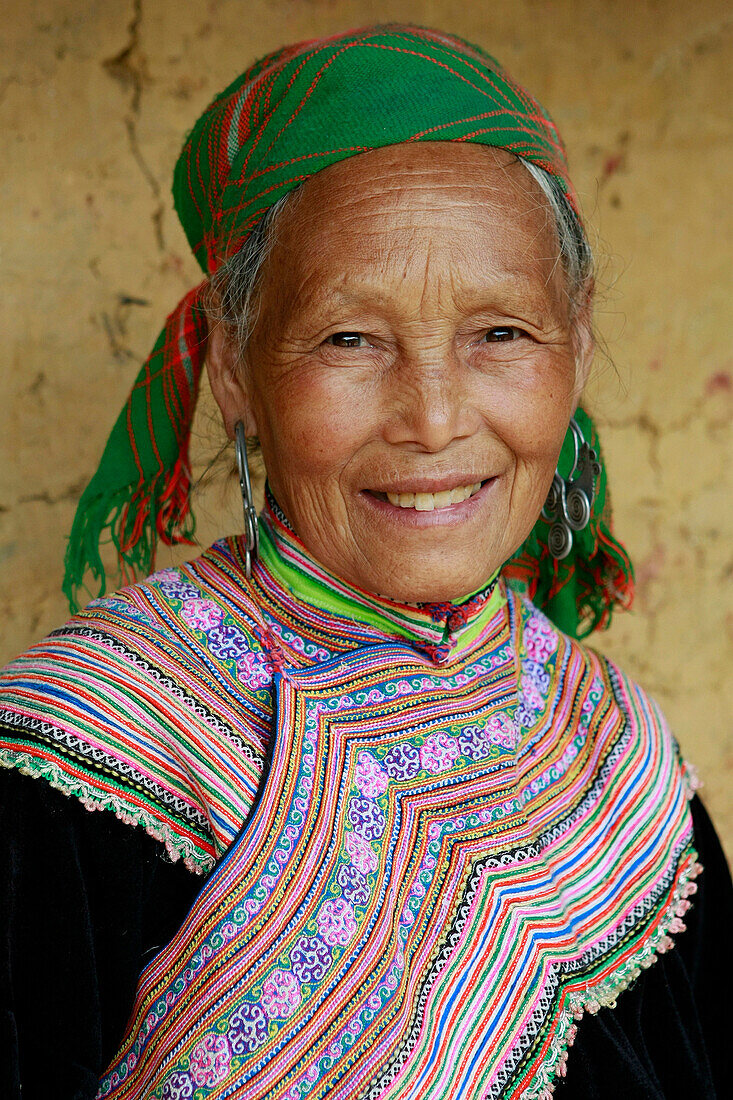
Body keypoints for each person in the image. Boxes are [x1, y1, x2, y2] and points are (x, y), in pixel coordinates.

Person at [0, 24, 729, 1100]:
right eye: (349, 339)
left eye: (500, 333)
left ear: (574, 343)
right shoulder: (74, 756)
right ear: (238, 367)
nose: (434, 419)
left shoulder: (613, 742)